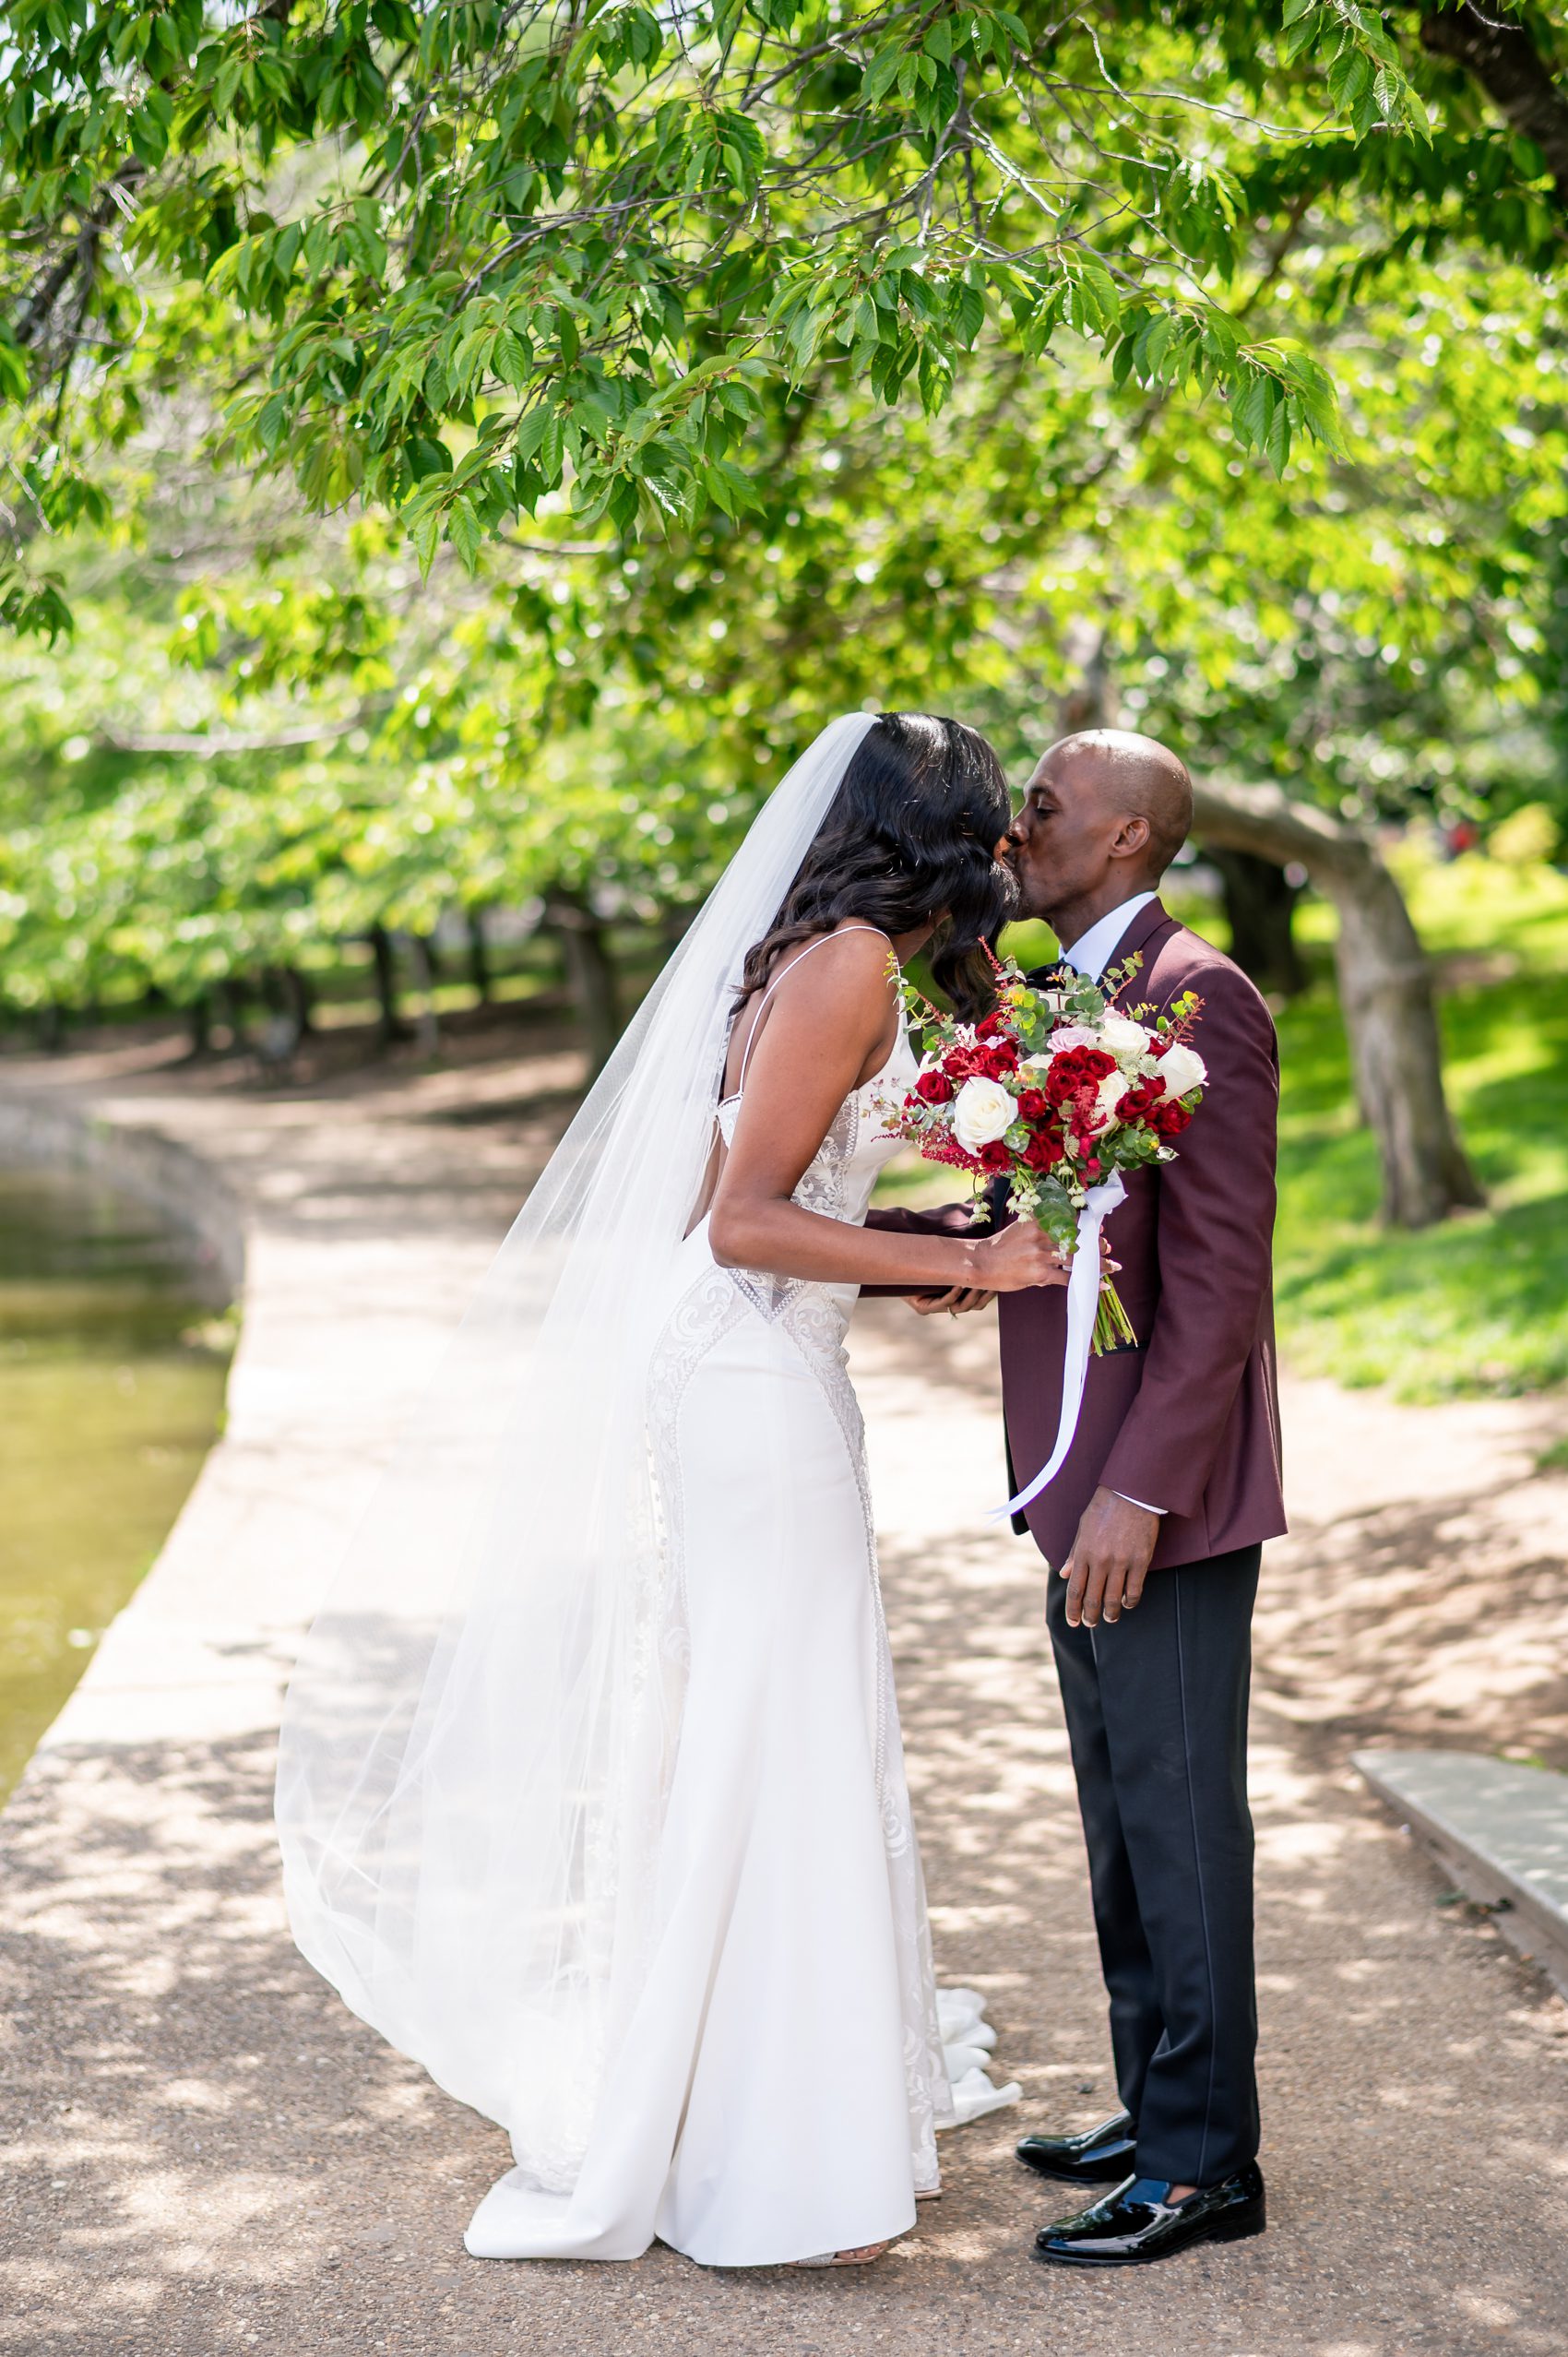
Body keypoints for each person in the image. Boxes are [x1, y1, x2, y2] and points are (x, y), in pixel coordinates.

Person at [274, 712, 1063, 2270]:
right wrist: (965, 1255)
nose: (998, 859)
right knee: (779, 1736)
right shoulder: (843, 965)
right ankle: (773, 2156)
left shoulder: (811, 958)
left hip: (759, 1373)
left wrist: (901, 1257)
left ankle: (761, 2113)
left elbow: (748, 1194)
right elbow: (741, 1226)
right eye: (985, 826)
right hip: (747, 1381)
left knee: (762, 1729)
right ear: (926, 832)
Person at [872, 727, 1285, 2268]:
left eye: (1042, 807)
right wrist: (934, 1249)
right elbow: (1060, 1207)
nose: (1013, 829)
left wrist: (1140, 1491)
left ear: (1126, 839)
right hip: (1069, 1478)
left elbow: (1225, 1279)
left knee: (1182, 1823)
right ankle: (1152, 2100)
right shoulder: (1056, 997)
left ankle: (1205, 2169)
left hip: (1151, 1499)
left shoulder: (1203, 1000)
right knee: (1120, 1816)